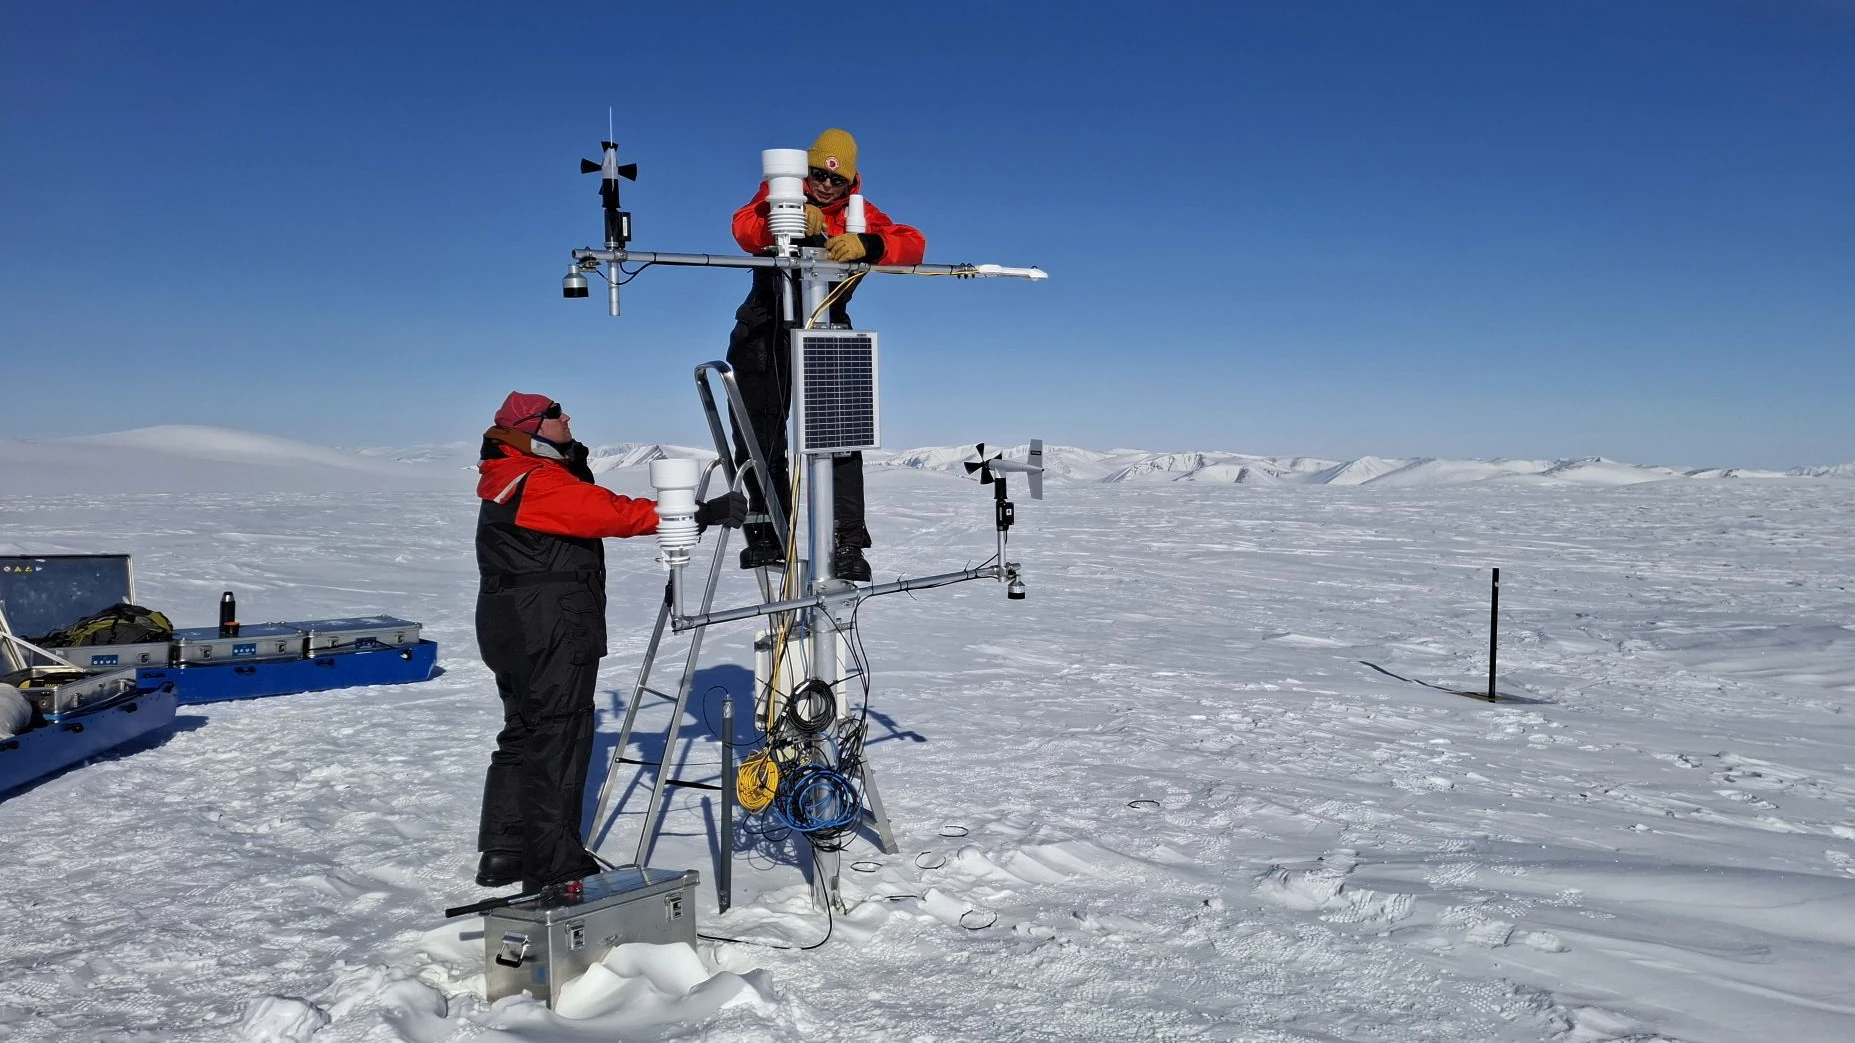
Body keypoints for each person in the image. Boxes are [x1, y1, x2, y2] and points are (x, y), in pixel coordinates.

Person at [473, 391, 745, 891]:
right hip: (549, 623)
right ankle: (554, 863)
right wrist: (700, 514)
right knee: (559, 734)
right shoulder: (537, 480)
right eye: (554, 414)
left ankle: (506, 849)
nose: (566, 416)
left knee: (525, 730)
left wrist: (570, 456)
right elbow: (613, 513)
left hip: (510, 620)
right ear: (531, 428)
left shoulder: (509, 474)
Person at [725, 128, 926, 582]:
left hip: (828, 329)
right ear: (805, 170)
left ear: (851, 181)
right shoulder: (779, 194)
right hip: (765, 330)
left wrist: (869, 245)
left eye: (838, 180)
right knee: (761, 435)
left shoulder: (860, 214)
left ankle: (846, 542)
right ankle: (769, 533)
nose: (827, 185)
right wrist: (788, 219)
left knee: (841, 437)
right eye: (819, 175)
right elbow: (744, 228)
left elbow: (913, 242)